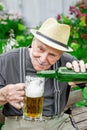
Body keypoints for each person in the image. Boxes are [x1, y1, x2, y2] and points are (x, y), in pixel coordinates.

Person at [0, 17, 86, 130]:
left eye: (53, 55)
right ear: (33, 41)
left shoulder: (68, 62)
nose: (43, 59)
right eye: (40, 49)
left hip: (59, 123)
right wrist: (3, 95)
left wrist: (83, 78)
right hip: (20, 124)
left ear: (61, 54)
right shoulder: (6, 60)